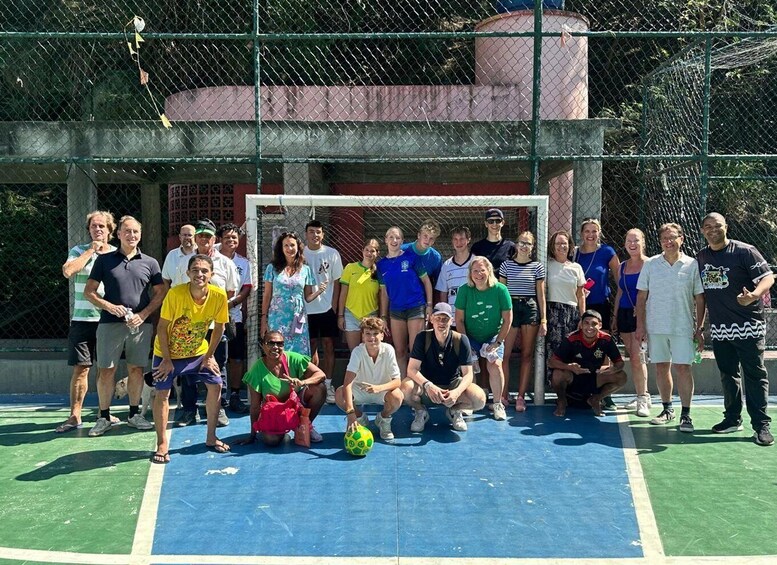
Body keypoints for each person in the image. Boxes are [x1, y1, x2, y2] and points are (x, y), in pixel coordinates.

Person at [83, 215, 165, 437]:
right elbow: (89, 292)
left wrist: (144, 314)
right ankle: (103, 417)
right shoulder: (104, 260)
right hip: (110, 324)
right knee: (106, 370)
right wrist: (109, 307)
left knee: (136, 369)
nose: (131, 235)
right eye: (126, 231)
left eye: (135, 232)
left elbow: (160, 293)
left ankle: (134, 414)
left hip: (140, 325)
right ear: (118, 234)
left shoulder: (150, 262)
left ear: (140, 235)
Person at [697, 212, 774, 446]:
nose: (713, 230)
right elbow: (701, 295)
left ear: (726, 227)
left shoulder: (744, 251)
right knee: (728, 374)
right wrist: (699, 326)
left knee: (754, 374)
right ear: (702, 231)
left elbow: (768, 277)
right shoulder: (701, 257)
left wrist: (754, 295)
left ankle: (761, 426)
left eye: (717, 225)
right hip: (720, 328)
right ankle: (732, 418)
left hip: (748, 326)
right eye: (708, 227)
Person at [149, 254, 231, 463]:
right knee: (163, 394)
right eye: (195, 270)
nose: (199, 274)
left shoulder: (218, 295)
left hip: (198, 353)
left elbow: (220, 327)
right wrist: (166, 360)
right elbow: (162, 327)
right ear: (187, 273)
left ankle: (211, 437)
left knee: (215, 385)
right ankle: (161, 443)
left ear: (212, 274)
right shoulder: (175, 294)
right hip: (167, 353)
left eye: (204, 270)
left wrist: (209, 356)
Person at [635, 223, 705, 433]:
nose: (668, 241)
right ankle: (667, 409)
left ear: (681, 239)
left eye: (672, 237)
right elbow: (641, 296)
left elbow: (700, 299)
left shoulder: (692, 264)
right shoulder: (651, 264)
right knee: (661, 367)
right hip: (655, 327)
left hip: (683, 327)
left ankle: (686, 414)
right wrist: (641, 326)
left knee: (683, 368)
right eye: (664, 238)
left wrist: (699, 329)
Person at [56, 210, 117, 433]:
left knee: (107, 369)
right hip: (82, 320)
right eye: (94, 226)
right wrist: (92, 250)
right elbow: (68, 271)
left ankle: (105, 414)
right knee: (81, 369)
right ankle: (75, 416)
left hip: (109, 320)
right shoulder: (78, 250)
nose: (98, 230)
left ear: (110, 230)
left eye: (102, 226)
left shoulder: (117, 254)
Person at [175, 219, 239, 428]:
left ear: (214, 239)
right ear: (196, 238)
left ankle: (217, 409)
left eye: (208, 236)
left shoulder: (226, 263)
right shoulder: (185, 262)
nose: (204, 239)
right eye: (200, 235)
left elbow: (230, 292)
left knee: (217, 367)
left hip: (215, 327)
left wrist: (214, 310)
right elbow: (179, 291)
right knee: (187, 368)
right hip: (189, 327)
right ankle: (189, 410)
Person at [401, 303, 486, 432]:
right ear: (431, 320)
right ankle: (420, 411)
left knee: (480, 399)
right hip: (427, 389)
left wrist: (456, 392)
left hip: (452, 385)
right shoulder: (422, 338)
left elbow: (468, 374)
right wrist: (428, 386)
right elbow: (412, 369)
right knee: (405, 388)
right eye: (438, 318)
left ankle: (454, 411)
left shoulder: (461, 340)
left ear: (451, 320)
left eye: (445, 319)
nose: (441, 322)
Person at [240, 330, 327, 446]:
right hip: (274, 411)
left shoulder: (294, 358)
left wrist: (302, 382)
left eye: (280, 344)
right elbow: (255, 406)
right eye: (271, 343)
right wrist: (252, 435)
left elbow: (321, 375)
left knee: (320, 388)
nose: (275, 347)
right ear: (263, 345)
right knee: (271, 441)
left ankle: (303, 425)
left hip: (295, 404)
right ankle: (282, 426)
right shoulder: (256, 370)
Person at [454, 256, 512, 420]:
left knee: (495, 365)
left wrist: (497, 342)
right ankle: (470, 403)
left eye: (482, 270)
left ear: (489, 271)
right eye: (475, 271)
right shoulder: (464, 290)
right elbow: (458, 320)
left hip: (493, 335)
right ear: (470, 273)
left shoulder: (500, 290)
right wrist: (467, 345)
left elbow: (508, 319)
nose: (479, 274)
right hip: (470, 336)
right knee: (468, 367)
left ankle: (498, 403)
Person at [574, 218, 620, 411]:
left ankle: (604, 394)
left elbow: (621, 282)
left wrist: (620, 310)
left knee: (604, 350)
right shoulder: (574, 253)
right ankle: (581, 392)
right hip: (578, 306)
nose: (591, 235)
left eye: (595, 231)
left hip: (600, 305)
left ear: (599, 233)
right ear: (581, 233)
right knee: (580, 349)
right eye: (587, 231)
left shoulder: (607, 252)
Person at [498, 230, 547, 411]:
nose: (524, 246)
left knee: (527, 355)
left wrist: (543, 320)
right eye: (521, 242)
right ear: (516, 245)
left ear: (532, 247)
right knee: (505, 354)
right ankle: (503, 395)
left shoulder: (537, 267)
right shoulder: (506, 266)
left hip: (530, 308)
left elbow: (541, 295)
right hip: (511, 308)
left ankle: (520, 396)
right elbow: (502, 293)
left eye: (528, 243)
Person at [377, 226, 433, 379]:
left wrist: (429, 305)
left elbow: (426, 282)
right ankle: (403, 386)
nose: (394, 240)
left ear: (402, 241)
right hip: (396, 311)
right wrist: (383, 316)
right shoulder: (381, 265)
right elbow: (384, 293)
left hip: (416, 307)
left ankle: (416, 386)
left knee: (415, 350)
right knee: (400, 351)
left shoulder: (411, 258)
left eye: (397, 238)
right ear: (385, 240)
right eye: (391, 237)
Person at [548, 310, 627, 417]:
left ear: (600, 325)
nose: (590, 327)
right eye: (586, 323)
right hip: (573, 377)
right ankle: (562, 402)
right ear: (581, 324)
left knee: (621, 376)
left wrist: (614, 369)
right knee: (557, 374)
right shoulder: (571, 339)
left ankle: (596, 399)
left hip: (596, 378)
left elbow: (619, 362)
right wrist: (569, 367)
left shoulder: (606, 339)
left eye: (594, 324)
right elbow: (551, 362)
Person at [336, 317, 403, 440]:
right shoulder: (357, 352)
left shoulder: (389, 350)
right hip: (360, 390)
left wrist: (379, 388)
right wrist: (350, 413)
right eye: (368, 334)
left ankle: (383, 419)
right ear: (362, 336)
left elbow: (397, 381)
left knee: (398, 396)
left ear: (382, 335)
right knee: (340, 393)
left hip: (382, 391)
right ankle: (360, 418)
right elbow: (347, 383)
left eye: (376, 334)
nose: (372, 338)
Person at [261, 231, 326, 356]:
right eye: (286, 245)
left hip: (297, 316)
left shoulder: (306, 269)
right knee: (277, 349)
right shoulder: (272, 268)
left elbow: (307, 297)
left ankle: (296, 375)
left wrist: (319, 291)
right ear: (281, 248)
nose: (289, 248)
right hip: (277, 317)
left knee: (298, 351)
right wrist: (264, 320)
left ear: (298, 247)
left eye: (292, 245)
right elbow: (267, 295)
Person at [303, 220, 343, 404]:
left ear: (322, 234)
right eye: (311, 232)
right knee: (310, 347)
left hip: (326, 309)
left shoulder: (332, 253)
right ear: (306, 234)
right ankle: (313, 383)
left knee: (328, 345)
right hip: (305, 309)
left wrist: (334, 307)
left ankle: (328, 384)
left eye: (318, 232)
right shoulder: (299, 253)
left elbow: (336, 282)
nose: (315, 235)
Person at [612, 229, 651, 417]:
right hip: (625, 315)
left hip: (641, 316)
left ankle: (643, 398)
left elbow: (654, 291)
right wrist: (615, 316)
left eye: (636, 240)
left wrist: (643, 310)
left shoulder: (650, 264)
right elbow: (620, 292)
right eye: (629, 240)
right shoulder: (622, 266)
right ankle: (642, 394)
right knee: (632, 356)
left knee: (637, 357)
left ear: (643, 242)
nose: (632, 243)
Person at [217, 222, 253, 414]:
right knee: (215, 358)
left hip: (234, 317)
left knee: (236, 358)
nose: (231, 240)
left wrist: (231, 303)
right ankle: (216, 397)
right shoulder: (210, 259)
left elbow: (246, 287)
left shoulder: (243, 263)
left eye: (234, 238)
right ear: (220, 240)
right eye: (227, 238)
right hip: (212, 318)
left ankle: (235, 395)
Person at [544, 230, 586, 388]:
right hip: (553, 311)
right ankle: (554, 386)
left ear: (570, 246)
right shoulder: (547, 264)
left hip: (571, 313)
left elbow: (580, 295)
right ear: (552, 247)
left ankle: (570, 388)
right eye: (557, 243)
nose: (561, 246)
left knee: (571, 350)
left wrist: (582, 317)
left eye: (564, 243)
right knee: (553, 350)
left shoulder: (576, 268)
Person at [338, 238, 381, 351]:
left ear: (377, 253)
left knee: (370, 351)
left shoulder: (379, 272)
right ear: (362, 251)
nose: (369, 253)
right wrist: (341, 315)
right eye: (367, 250)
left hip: (370, 315)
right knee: (355, 352)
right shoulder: (350, 268)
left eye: (372, 251)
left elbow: (382, 296)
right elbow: (343, 293)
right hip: (351, 314)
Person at [435, 226, 473, 326]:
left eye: (461, 239)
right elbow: (443, 293)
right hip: (453, 320)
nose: (458, 242)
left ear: (468, 240)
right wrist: (446, 315)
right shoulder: (447, 265)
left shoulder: (476, 262)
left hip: (472, 318)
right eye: (455, 239)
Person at [471, 208, 514, 274]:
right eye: (491, 221)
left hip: (504, 284)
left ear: (502, 223)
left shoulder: (510, 246)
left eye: (498, 220)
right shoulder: (477, 247)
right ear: (486, 224)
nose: (494, 224)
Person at [401, 219, 443, 286]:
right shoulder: (402, 250)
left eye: (431, 238)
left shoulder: (436, 257)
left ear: (434, 241)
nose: (427, 240)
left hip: (424, 295)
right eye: (425, 236)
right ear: (419, 235)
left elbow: (438, 283)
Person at [161, 224, 196, 289]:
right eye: (184, 235)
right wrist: (169, 295)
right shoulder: (172, 255)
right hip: (176, 296)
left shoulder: (200, 254)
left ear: (195, 237)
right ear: (180, 237)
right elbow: (165, 279)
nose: (187, 237)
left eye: (190, 235)